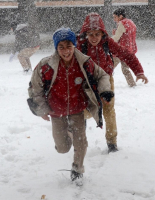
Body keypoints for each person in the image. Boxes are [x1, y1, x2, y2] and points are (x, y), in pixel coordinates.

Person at [27, 27, 114, 182]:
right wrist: (42, 110)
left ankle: (77, 169)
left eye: (69, 46)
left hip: (77, 108)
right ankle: (68, 134)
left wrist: (105, 90)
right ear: (56, 48)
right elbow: (35, 88)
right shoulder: (45, 65)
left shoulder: (85, 62)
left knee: (81, 143)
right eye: (61, 47)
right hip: (56, 110)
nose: (66, 51)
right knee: (62, 148)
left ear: (74, 45)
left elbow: (102, 75)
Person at [77, 12, 148, 153]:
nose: (94, 38)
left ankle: (112, 143)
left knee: (109, 111)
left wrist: (138, 71)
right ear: (85, 34)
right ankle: (79, 136)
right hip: (87, 82)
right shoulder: (80, 45)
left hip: (106, 80)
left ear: (102, 33)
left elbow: (126, 54)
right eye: (90, 34)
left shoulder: (107, 42)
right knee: (84, 111)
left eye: (97, 34)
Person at [111, 8, 139, 87]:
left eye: (115, 17)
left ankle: (104, 83)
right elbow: (128, 36)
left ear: (121, 16)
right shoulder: (131, 23)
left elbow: (117, 37)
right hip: (129, 50)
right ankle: (132, 84)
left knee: (109, 67)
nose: (114, 19)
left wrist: (107, 40)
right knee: (125, 69)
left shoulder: (122, 23)